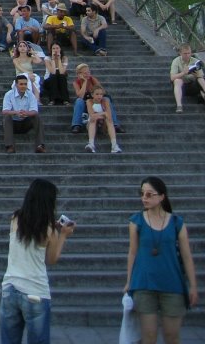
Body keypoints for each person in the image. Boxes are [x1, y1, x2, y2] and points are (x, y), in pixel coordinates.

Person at [123, 176, 198, 343]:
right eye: (142, 193)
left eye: (150, 194)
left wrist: (192, 285)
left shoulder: (177, 222)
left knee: (172, 336)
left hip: (172, 283)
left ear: (162, 196)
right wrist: (129, 281)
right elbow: (132, 252)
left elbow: (186, 255)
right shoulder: (136, 221)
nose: (144, 198)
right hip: (144, 283)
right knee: (148, 336)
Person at [0, 178, 75, 344]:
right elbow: (52, 259)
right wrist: (62, 235)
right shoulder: (49, 230)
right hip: (36, 291)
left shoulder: (15, 219)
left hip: (10, 288)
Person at [2, 74, 45, 153]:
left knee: (36, 116)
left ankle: (40, 145)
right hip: (13, 123)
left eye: (25, 84)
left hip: (26, 122)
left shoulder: (30, 95)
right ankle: (10, 146)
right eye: (21, 84)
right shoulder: (9, 94)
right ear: (16, 84)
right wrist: (16, 113)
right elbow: (4, 111)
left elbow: (35, 111)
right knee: (7, 117)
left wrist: (27, 113)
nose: (23, 86)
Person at [83, 85, 121, 154]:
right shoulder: (89, 101)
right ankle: (91, 144)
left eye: (101, 94)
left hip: (103, 125)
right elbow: (92, 115)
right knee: (93, 119)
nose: (99, 96)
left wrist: (100, 115)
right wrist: (103, 113)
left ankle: (114, 145)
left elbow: (109, 116)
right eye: (97, 94)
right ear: (92, 94)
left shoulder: (105, 101)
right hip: (92, 124)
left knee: (109, 120)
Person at [169, 44, 205, 113]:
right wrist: (183, 73)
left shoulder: (195, 61)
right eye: (185, 53)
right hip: (181, 86)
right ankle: (179, 105)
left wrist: (196, 74)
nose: (187, 55)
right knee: (177, 80)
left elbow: (201, 76)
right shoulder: (176, 61)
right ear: (180, 53)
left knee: (201, 79)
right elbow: (172, 77)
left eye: (189, 53)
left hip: (194, 85)